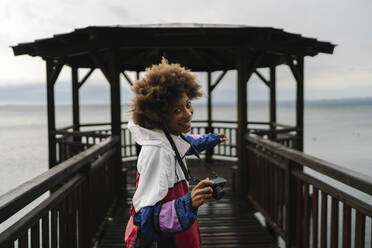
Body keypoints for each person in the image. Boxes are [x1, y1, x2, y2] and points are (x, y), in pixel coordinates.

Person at [124, 58, 227, 248]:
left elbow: (190, 142)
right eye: (177, 110)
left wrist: (212, 139)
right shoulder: (157, 151)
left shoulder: (169, 137)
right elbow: (144, 217)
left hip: (177, 232)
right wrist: (189, 203)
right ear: (159, 116)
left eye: (188, 105)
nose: (188, 113)